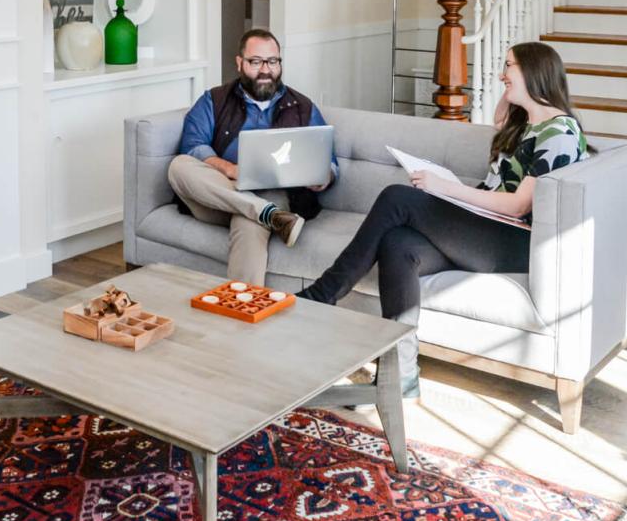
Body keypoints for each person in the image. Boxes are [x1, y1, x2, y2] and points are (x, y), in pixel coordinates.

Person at [297, 42, 588, 398]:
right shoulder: (527, 124)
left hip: (512, 240)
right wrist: (514, 96)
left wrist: (446, 189)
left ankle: (323, 294)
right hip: (485, 229)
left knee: (397, 197)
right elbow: (500, 121)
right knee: (398, 244)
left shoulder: (558, 133)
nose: (501, 74)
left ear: (532, 71)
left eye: (508, 67)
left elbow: (516, 207)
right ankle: (401, 375)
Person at [169, 28, 338, 286]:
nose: (265, 70)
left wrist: (322, 176)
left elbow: (329, 161)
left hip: (274, 194)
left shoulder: (302, 107)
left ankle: (240, 315)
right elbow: (192, 144)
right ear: (240, 63)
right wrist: (228, 169)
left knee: (249, 223)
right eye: (255, 61)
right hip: (218, 194)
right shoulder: (214, 100)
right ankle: (267, 214)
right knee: (178, 166)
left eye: (272, 61)